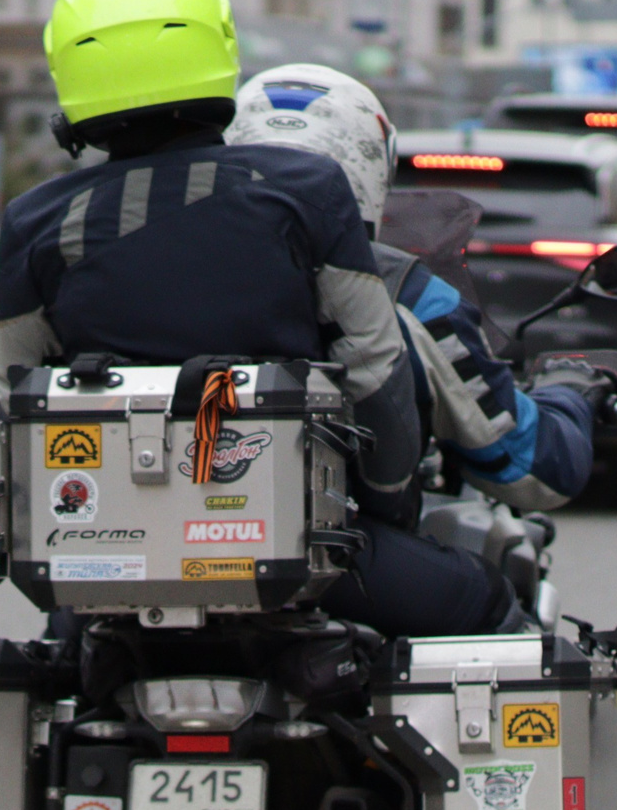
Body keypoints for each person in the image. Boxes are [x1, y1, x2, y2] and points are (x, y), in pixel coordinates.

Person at [0, 0, 515, 639]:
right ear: (220, 46)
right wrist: (387, 512)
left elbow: (17, 401)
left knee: (56, 690)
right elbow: (378, 371)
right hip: (303, 560)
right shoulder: (304, 190)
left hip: (105, 580)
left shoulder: (35, 222)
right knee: (488, 600)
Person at [222, 64, 595, 514]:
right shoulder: (407, 292)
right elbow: (529, 466)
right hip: (343, 547)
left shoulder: (172, 268)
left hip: (155, 539)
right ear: (371, 165)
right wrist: (569, 393)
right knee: (486, 580)